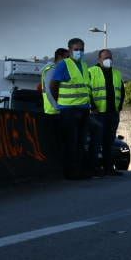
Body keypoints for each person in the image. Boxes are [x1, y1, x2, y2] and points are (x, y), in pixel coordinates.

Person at [49, 37, 95, 179]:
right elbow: (53, 86)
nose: (79, 52)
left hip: (83, 109)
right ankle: (71, 172)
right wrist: (60, 101)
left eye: (81, 49)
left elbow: (86, 88)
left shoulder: (84, 65)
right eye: (76, 49)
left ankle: (80, 171)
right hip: (68, 110)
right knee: (71, 142)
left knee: (81, 142)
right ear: (69, 50)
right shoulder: (64, 65)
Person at [87, 48, 126, 175]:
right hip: (98, 113)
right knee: (96, 142)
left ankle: (109, 168)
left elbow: (122, 91)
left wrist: (119, 107)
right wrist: (92, 106)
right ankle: (94, 168)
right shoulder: (91, 72)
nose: (108, 60)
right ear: (99, 59)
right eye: (105, 58)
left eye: (110, 58)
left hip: (112, 113)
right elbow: (87, 91)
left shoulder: (117, 73)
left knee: (109, 142)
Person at [39, 47, 67, 116]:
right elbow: (49, 90)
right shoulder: (52, 70)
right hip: (53, 111)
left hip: (55, 111)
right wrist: (57, 106)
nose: (68, 60)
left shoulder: (56, 69)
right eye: (67, 57)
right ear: (60, 57)